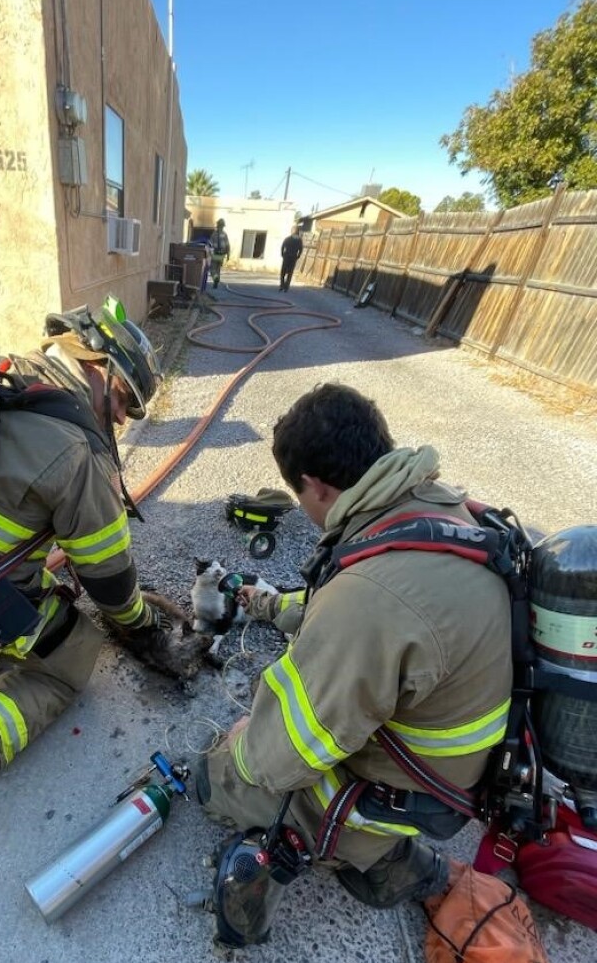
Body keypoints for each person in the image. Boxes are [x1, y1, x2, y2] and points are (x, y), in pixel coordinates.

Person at [197, 383, 512, 909]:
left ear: (314, 485)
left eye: (298, 498)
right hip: (464, 756)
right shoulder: (436, 506)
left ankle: (375, 854)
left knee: (218, 777)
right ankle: (376, 852)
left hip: (415, 787)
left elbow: (288, 751)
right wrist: (272, 605)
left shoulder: (369, 600)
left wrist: (243, 743)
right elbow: (367, 606)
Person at [0, 303, 173, 833]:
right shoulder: (75, 452)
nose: (120, 419)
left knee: (31, 576)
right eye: (121, 401)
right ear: (95, 366)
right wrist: (141, 626)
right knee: (75, 656)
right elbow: (109, 580)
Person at [208, 218, 231, 288]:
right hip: (222, 255)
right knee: (218, 269)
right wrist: (228, 255)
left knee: (212, 269)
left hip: (215, 254)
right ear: (223, 226)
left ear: (217, 225)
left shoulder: (214, 234)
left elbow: (210, 244)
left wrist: (209, 253)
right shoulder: (225, 235)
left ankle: (215, 278)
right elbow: (228, 245)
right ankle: (216, 282)